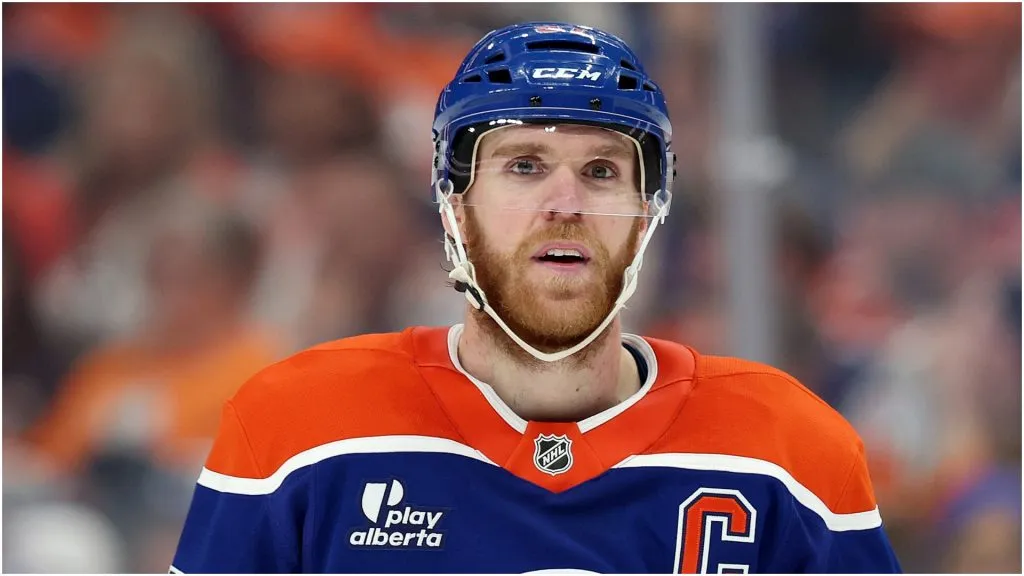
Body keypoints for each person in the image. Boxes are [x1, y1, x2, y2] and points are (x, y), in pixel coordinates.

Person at [171, 22, 901, 573]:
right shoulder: (297, 432)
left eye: (602, 171)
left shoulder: (791, 451)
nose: (565, 202)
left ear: (649, 214)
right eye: (524, 165)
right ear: (456, 205)